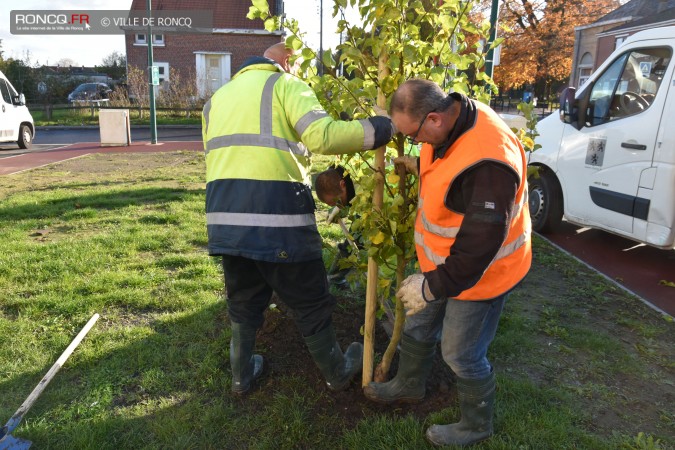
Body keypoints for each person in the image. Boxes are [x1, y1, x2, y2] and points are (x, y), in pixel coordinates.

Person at [202, 42, 395, 396]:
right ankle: (336, 372)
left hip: (225, 222)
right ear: (285, 63)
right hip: (278, 221)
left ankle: (241, 378)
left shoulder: (216, 100)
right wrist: (379, 128)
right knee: (310, 301)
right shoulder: (287, 86)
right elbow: (322, 136)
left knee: (244, 302)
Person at [363, 79, 532, 447]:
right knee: (418, 323)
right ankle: (409, 384)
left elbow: (480, 245)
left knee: (460, 352)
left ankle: (476, 424)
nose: (416, 143)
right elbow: (451, 182)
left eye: (415, 137)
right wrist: (417, 164)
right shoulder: (451, 122)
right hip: (440, 261)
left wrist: (432, 286)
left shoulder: (489, 162)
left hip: (484, 273)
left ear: (435, 119)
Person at [315, 165, 361, 287]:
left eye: (336, 202)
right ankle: (335, 278)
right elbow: (349, 198)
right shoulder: (340, 171)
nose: (335, 205)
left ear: (342, 184)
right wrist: (338, 208)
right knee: (353, 241)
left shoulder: (363, 185)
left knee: (358, 238)